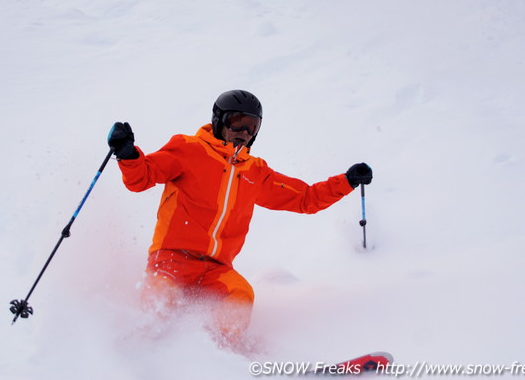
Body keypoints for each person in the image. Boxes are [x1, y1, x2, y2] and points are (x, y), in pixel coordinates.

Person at [108, 89, 372, 350]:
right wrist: (128, 153)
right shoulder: (188, 149)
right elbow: (142, 177)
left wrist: (347, 182)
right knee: (160, 301)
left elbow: (305, 199)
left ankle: (219, 353)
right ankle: (134, 351)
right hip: (171, 260)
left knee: (241, 295)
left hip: (216, 270)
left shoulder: (255, 172)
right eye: (237, 122)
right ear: (219, 120)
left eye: (252, 126)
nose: (244, 132)